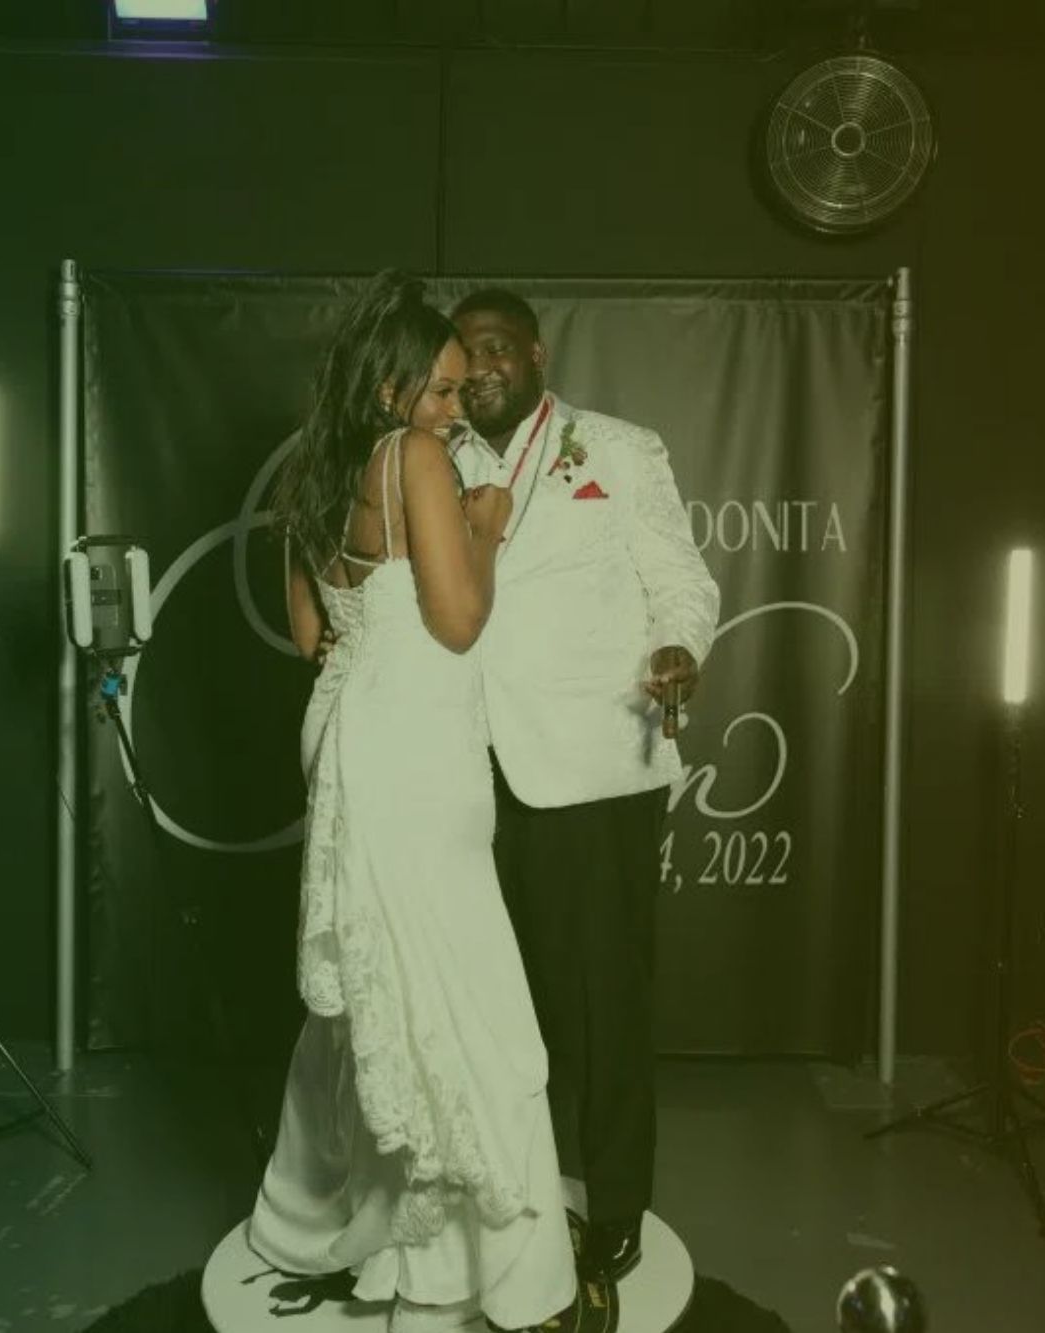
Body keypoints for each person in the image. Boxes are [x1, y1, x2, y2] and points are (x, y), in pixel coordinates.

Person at [246, 272, 578, 1333]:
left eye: (452, 389)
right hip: (416, 747)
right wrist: (486, 523)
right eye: (434, 389)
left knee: (390, 979)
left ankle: (351, 1225)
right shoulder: (416, 460)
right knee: (454, 982)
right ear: (389, 387)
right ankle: (465, 1268)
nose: (451, 406)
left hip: (346, 730)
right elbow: (458, 621)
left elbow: (311, 640)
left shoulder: (312, 465)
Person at [447, 287, 719, 1284]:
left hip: (596, 767)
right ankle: (498, 1193)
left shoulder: (618, 448)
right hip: (469, 767)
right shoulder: (437, 457)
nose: (477, 367)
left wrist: (676, 647)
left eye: (493, 348)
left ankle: (615, 1204)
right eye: (460, 353)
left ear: (533, 351)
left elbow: (681, 581)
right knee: (482, 1001)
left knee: (603, 1004)